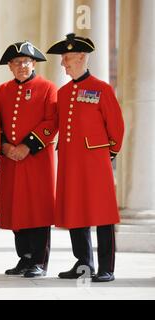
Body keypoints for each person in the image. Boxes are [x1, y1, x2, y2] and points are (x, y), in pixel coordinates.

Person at [47, 33, 125, 282]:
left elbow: (117, 127)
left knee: (103, 214)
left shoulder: (102, 89)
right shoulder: (63, 92)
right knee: (76, 211)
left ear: (81, 57)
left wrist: (106, 154)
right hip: (70, 162)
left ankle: (106, 268)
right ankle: (84, 264)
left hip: (95, 162)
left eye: (67, 58)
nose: (63, 63)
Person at [0, 41, 58, 278]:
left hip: (37, 159)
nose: (22, 66)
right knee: (16, 208)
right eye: (16, 62)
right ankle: (24, 258)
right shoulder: (2, 90)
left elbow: (51, 122)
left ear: (33, 63)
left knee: (38, 208)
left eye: (26, 62)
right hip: (11, 159)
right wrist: (3, 145)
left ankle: (39, 261)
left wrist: (27, 146)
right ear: (10, 66)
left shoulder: (48, 87)